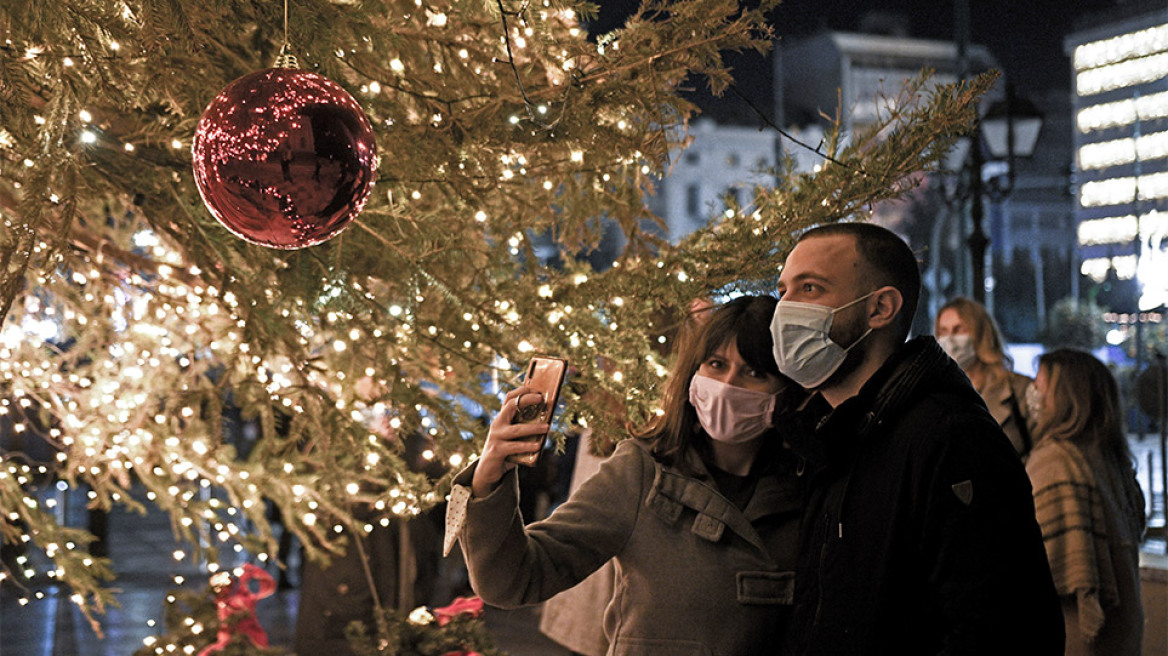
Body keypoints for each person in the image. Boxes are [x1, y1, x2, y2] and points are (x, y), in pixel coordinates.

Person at [445, 295, 804, 656]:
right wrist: (489, 480)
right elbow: (514, 580)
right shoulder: (642, 472)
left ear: (786, 388)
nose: (729, 384)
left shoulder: (809, 486)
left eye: (754, 372)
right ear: (695, 371)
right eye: (716, 364)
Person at [770, 222, 1064, 655]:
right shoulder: (830, 438)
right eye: (783, 291)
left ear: (881, 307)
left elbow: (1002, 629)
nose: (785, 309)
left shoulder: (951, 439)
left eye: (811, 288)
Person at [1026, 349, 1146, 656]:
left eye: (1040, 386)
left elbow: (1034, 561)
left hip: (1073, 634)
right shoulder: (1112, 461)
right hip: (1123, 630)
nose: (1033, 394)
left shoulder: (1055, 461)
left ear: (1067, 397)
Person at [935, 296, 1036, 457]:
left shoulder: (1019, 388)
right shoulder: (935, 395)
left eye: (959, 329)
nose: (950, 340)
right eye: (943, 331)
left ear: (980, 333)